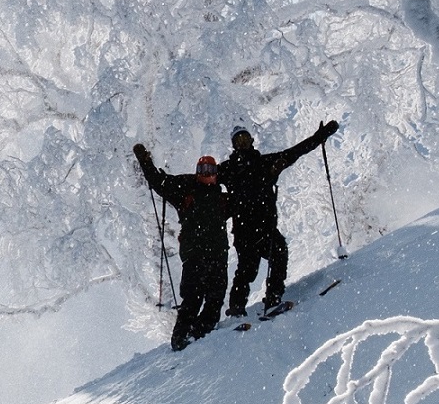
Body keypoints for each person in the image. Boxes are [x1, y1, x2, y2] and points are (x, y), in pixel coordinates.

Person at [213, 118, 340, 317]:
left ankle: (272, 298)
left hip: (264, 228)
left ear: (252, 140)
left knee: (278, 253)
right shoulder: (227, 169)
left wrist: (320, 137)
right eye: (238, 141)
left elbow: (296, 151)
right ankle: (237, 308)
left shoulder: (264, 162)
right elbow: (202, 178)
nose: (242, 143)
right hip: (244, 230)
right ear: (233, 145)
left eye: (245, 138)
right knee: (247, 269)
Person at [131, 142, 233, 349]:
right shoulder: (185, 190)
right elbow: (158, 182)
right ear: (197, 172)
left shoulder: (222, 198)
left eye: (210, 170)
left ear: (216, 172)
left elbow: (246, 200)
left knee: (216, 298)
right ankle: (179, 339)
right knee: (192, 299)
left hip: (217, 254)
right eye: (202, 169)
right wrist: (144, 160)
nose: (206, 174)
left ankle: (199, 333)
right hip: (195, 254)